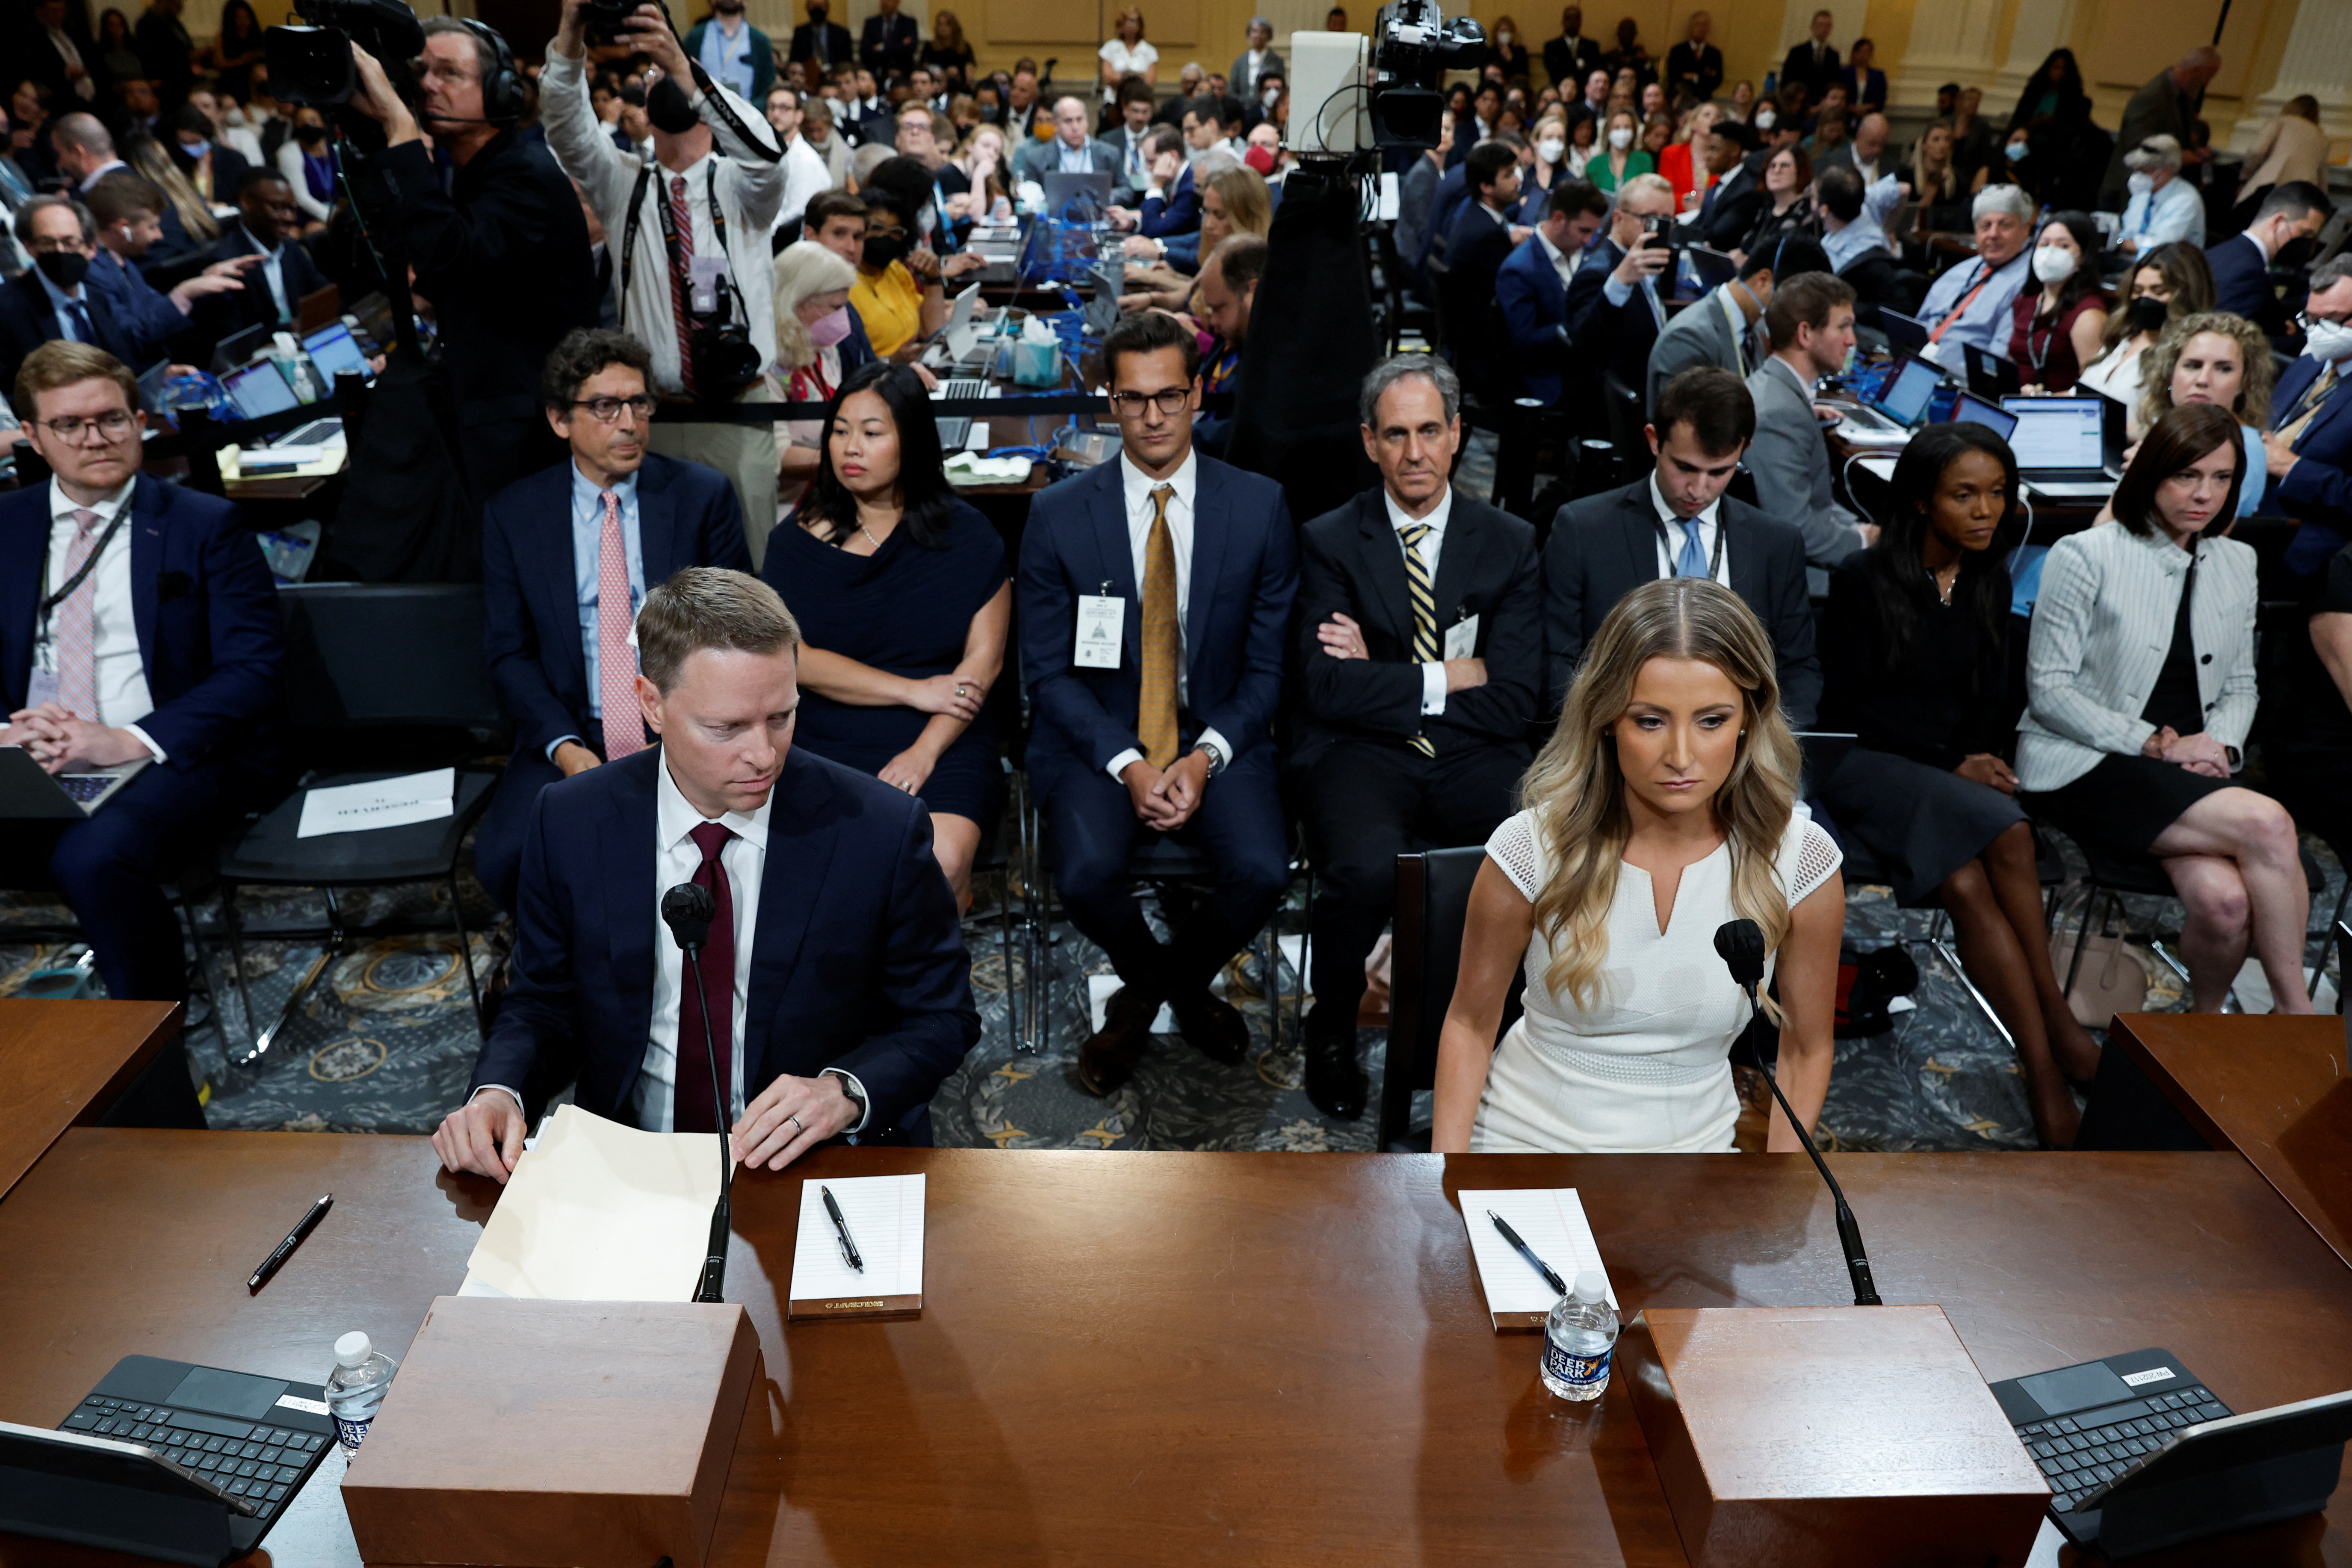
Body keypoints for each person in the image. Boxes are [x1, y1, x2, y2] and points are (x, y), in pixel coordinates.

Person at [436, 566, 979, 1178]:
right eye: (727, 727)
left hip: (812, 1157)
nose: (764, 754)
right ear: (652, 704)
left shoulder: (879, 828)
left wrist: (844, 1091)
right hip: (635, 1155)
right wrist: (499, 1091)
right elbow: (541, 1001)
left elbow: (943, 1016)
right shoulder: (570, 819)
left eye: (781, 716)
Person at [1433, 575, 1842, 1154]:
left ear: (1750, 716)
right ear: (1606, 719)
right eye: (1650, 720)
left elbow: (1806, 1049)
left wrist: (1776, 1190)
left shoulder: (1801, 859)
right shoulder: (1530, 848)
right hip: (1523, 1149)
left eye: (1712, 720)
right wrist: (1448, 1180)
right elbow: (1469, 1026)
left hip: (1695, 1163)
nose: (1681, 756)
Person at [1016, 310, 1296, 1096]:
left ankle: (1145, 996)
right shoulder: (1058, 516)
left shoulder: (1261, 507)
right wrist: (1131, 763)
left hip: (1221, 733)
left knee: (1262, 867)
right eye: (1134, 398)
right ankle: (1170, 991)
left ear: (1198, 393)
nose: (1153, 416)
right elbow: (1048, 673)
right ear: (1110, 400)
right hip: (1097, 737)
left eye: (1170, 396)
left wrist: (1205, 757)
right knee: (1085, 872)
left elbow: (1269, 671)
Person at [0, 342, 284, 1098]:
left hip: (173, 754)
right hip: (30, 754)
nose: (95, 439)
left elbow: (254, 670)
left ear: (140, 420)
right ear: (32, 435)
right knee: (73, 841)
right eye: (70, 425)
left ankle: (150, 1055)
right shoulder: (8, 526)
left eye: (110, 419)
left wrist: (126, 738)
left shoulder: (203, 524)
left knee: (93, 858)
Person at [1814, 424, 2101, 1146]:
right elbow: (1850, 716)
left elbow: (1988, 705)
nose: (1987, 511)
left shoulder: (1990, 578)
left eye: (1999, 494)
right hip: (1866, 767)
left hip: (1948, 775)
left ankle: (2043, 1054)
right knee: (2007, 829)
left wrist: (1972, 758)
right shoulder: (1862, 579)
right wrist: (1953, 767)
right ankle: (2053, 1049)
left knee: (1970, 884)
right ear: (1921, 500)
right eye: (1965, 495)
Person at [1290, 355, 1541, 1121]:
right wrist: (1450, 675)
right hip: (1360, 756)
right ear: (1370, 442)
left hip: (1475, 755)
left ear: (1458, 434)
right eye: (1396, 435)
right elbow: (1328, 690)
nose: (1414, 453)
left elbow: (1517, 699)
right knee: (1363, 871)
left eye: (1430, 431)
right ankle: (1329, 1031)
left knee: (1521, 859)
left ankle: (1502, 1034)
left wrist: (1390, 675)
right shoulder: (1330, 539)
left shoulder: (1511, 542)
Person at [2019, 403, 2311, 1017]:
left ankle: (2204, 1023)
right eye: (2187, 475)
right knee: (2269, 825)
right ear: (2151, 474)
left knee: (2226, 900)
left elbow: (2242, 685)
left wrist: (2221, 751)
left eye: (2222, 477)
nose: (2205, 493)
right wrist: (2160, 743)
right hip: (2088, 761)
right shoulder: (2086, 553)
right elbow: (2050, 692)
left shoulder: (2239, 562)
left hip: (2193, 774)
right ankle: (2298, 1015)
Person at [474, 329, 752, 913]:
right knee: (505, 856)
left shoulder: (702, 496)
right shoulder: (515, 515)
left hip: (682, 718)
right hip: (570, 724)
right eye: (605, 406)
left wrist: (685, 724)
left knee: (721, 854)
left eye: (639, 403)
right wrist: (568, 748)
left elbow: (733, 631)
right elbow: (509, 652)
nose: (629, 422)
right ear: (560, 420)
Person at [759, 362, 1008, 909]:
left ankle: (926, 991)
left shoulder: (967, 537)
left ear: (911, 441)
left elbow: (981, 668)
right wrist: (910, 689)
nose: (851, 447)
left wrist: (923, 751)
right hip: (824, 731)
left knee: (938, 860)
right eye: (841, 431)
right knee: (811, 864)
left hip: (946, 734)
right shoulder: (793, 543)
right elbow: (791, 659)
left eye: (872, 433)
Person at [543, 0, 782, 564]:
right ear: (642, 113)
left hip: (738, 411)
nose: (661, 79)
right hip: (651, 417)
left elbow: (768, 157)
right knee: (663, 572)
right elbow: (565, 127)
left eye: (673, 76)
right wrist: (572, 30)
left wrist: (683, 66)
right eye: (651, 78)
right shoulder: (622, 183)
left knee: (749, 574)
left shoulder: (742, 188)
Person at [344, 16, 599, 506]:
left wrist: (400, 129)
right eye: (421, 73)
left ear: (502, 92)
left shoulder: (523, 176)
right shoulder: (479, 173)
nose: (426, 86)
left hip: (528, 435)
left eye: (448, 73)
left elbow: (447, 256)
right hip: (501, 421)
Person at [1543, 367, 1821, 723]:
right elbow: (1556, 665)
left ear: (1745, 450)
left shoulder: (1777, 545)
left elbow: (1798, 669)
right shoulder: (1583, 531)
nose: (1698, 489)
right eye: (1685, 467)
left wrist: (1770, 748)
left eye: (1719, 471)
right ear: (1654, 440)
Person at [1746, 271, 1873, 596]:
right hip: (1806, 589)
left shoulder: (1776, 391)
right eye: (1842, 326)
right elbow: (1796, 528)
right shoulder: (1779, 413)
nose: (1852, 340)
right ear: (1805, 334)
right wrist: (1865, 539)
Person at [1646, 236, 1822, 410]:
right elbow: (1682, 430)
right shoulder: (1689, 339)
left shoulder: (1753, 329)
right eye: (1795, 304)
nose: (1796, 316)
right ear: (1763, 281)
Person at [2128, 313, 2273, 520]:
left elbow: (2196, 532)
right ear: (2170, 373)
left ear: (2244, 383)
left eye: (2224, 369)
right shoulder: (2184, 431)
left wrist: (2144, 473)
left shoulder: (2243, 447)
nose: (2203, 380)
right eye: (2193, 366)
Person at [0, 196, 155, 387]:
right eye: (47, 243)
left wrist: (158, 379)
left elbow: (124, 367)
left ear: (91, 248)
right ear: (29, 247)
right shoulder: (7, 307)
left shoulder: (99, 299)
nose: (60, 251)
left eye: (70, 242)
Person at [85, 171, 257, 332]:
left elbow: (155, 308)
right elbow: (134, 334)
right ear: (124, 229)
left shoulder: (121, 262)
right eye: (151, 227)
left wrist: (205, 280)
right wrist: (184, 292)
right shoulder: (94, 274)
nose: (159, 236)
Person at [2265, 257, 2352, 577]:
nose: (2317, 332)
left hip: (2313, 543)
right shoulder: (2310, 362)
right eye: (2311, 319)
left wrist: (2291, 468)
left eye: (2332, 320)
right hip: (2253, 511)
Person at [1496, 178, 1607, 405]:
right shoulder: (1519, 270)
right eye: (1584, 231)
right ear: (1559, 219)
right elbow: (1525, 342)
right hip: (1549, 378)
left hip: (1580, 364)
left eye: (1594, 233)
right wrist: (1578, 327)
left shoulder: (1583, 255)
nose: (1588, 241)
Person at [1562, 171, 1674, 394]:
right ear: (1618, 219)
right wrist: (1619, 283)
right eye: (1650, 220)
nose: (1658, 231)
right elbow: (1582, 346)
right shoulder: (1598, 271)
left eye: (1667, 221)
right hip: (1620, 400)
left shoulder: (1651, 260)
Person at [768, 238, 857, 513]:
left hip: (832, 494)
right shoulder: (769, 365)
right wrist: (849, 463)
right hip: (790, 508)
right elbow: (777, 457)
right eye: (835, 307)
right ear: (798, 302)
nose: (843, 318)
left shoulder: (825, 350)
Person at [2075, 242, 2214, 410]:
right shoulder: (2121, 338)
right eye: (2138, 291)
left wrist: (2113, 424)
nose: (2145, 299)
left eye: (2158, 291)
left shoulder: (2190, 355)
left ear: (2186, 296)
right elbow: (2079, 396)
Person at [195, 169, 327, 342]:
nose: (289, 218)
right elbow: (233, 336)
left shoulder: (290, 247)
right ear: (247, 203)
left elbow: (324, 294)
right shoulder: (226, 260)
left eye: (293, 208)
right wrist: (289, 329)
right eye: (278, 208)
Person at [1916, 183, 2033, 370]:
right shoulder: (1961, 271)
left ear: (2026, 229)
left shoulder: (2030, 284)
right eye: (1985, 226)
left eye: (2005, 226)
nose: (1993, 234)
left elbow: (1997, 360)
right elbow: (1919, 323)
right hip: (1920, 365)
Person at [1437, 140, 1525, 390]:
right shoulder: (1487, 235)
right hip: (1486, 351)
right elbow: (1510, 290)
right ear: (1486, 186)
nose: (1518, 181)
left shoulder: (1475, 216)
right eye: (1508, 175)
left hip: (1470, 341)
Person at [2206, 181, 2330, 339]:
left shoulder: (2222, 251)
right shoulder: (2249, 273)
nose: (2308, 243)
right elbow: (2250, 340)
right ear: (2278, 222)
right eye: (2305, 233)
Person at [2100, 47, 2219, 208]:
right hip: (2128, 192)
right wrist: (2179, 157)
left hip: (2155, 190)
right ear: (2194, 71)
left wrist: (2195, 150)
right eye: (2208, 76)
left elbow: (2181, 136)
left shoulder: (2185, 98)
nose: (2207, 84)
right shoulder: (2151, 97)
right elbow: (2136, 145)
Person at [2008, 212, 2109, 395]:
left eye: (2064, 246)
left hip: (2056, 411)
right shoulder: (2027, 300)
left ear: (2084, 256)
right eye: (2044, 244)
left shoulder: (2088, 314)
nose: (2050, 253)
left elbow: (2094, 388)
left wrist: (2046, 398)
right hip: (2014, 400)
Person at [759, 85, 831, 232]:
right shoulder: (770, 152)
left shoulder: (806, 162)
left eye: (784, 108)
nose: (776, 114)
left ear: (799, 116)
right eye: (772, 108)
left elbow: (796, 218)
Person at [2237, 95, 2327, 210]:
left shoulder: (2281, 122)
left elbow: (2256, 152)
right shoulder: (2321, 137)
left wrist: (2245, 177)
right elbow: (2322, 176)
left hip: (2271, 184)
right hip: (2302, 195)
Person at [2117, 135, 2203, 255]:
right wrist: (2122, 242)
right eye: (2135, 170)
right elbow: (2126, 234)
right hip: (2130, 261)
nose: (2137, 177)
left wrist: (2125, 243)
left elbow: (2160, 246)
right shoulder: (2143, 193)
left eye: (2144, 171)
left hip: (2168, 267)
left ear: (2167, 170)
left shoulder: (2186, 200)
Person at [1013, 93, 1120, 186]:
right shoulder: (1036, 158)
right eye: (1068, 121)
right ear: (1057, 125)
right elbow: (1029, 193)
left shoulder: (1109, 154)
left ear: (1087, 122)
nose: (1075, 127)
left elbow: (1125, 189)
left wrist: (1108, 197)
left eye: (1080, 120)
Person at [684, 0, 774, 106]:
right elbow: (684, 78)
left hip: (747, 116)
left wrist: (753, 109)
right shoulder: (695, 37)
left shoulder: (760, 41)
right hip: (705, 115)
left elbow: (769, 88)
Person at [1734, 143, 1814, 261]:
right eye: (1772, 166)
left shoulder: (1807, 212)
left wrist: (1747, 263)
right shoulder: (1765, 210)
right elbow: (1747, 246)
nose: (1776, 171)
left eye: (1785, 166)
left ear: (1800, 171)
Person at [1901, 119, 1967, 233]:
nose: (1942, 145)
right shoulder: (1907, 175)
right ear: (1924, 146)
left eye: (1947, 140)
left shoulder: (1956, 178)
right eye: (1936, 140)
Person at [276, 106, 336, 227]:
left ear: (323, 124)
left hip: (338, 211)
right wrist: (334, 219)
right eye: (302, 122)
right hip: (306, 216)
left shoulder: (336, 150)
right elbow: (301, 199)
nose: (309, 125)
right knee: (316, 230)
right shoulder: (289, 152)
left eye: (313, 121)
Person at [132, 0, 193, 111]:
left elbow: (186, 46)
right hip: (166, 83)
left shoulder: (174, 22)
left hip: (182, 80)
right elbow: (151, 56)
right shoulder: (147, 23)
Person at [207, 0, 266, 101]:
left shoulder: (258, 37)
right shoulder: (222, 38)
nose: (243, 22)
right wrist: (244, 59)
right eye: (239, 18)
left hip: (257, 83)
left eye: (246, 18)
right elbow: (220, 64)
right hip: (232, 82)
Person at [1780, 9, 1840, 106]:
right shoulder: (1797, 52)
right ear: (1812, 26)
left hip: (1822, 105)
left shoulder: (1834, 56)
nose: (1824, 29)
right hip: (1799, 104)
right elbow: (1787, 80)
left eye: (1827, 26)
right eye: (1820, 25)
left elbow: (1834, 83)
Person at [1661, 12, 1720, 104]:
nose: (1701, 29)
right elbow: (1673, 75)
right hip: (1679, 100)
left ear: (1708, 29)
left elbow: (1717, 80)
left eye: (1704, 25)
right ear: (1691, 27)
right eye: (1697, 24)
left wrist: (1695, 77)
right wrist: (1702, 77)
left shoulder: (1715, 54)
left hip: (1703, 100)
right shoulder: (1678, 51)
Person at [1588, 107, 1647, 195]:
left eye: (1627, 127)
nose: (1622, 132)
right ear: (1608, 131)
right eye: (1617, 127)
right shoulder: (1595, 164)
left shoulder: (1644, 160)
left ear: (1634, 132)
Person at [1544, 6, 1601, 94]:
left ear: (1580, 21)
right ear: (1563, 21)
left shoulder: (1592, 46)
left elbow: (1592, 70)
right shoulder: (1551, 46)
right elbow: (1554, 71)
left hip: (1584, 92)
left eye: (1576, 18)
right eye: (1569, 18)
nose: (1572, 21)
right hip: (1559, 90)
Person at [788, 0, 853, 74]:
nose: (817, 10)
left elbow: (847, 62)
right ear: (807, 8)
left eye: (821, 7)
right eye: (814, 7)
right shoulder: (800, 33)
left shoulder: (842, 34)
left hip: (835, 77)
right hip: (808, 77)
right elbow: (794, 60)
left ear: (827, 8)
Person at [858, 0, 916, 76]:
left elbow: (909, 50)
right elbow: (865, 52)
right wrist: (899, 45)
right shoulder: (871, 23)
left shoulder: (908, 23)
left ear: (897, 2)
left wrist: (881, 48)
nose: (885, 3)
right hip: (876, 74)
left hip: (902, 74)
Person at [921, 9, 975, 91]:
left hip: (961, 87)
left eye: (947, 25)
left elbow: (970, 71)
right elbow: (924, 69)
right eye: (940, 24)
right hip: (937, 87)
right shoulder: (930, 47)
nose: (943, 28)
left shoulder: (964, 47)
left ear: (954, 27)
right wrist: (945, 74)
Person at [1228, 15, 1278, 98]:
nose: (1258, 36)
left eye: (1262, 32)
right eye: (1255, 32)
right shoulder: (1240, 61)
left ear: (1268, 35)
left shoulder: (1276, 61)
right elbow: (1233, 88)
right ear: (1249, 34)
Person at [1839, 36, 1885, 115]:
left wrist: (1868, 107)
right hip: (1846, 114)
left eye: (1866, 52)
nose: (1863, 55)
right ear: (1854, 53)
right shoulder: (1845, 73)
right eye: (1860, 52)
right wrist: (1852, 108)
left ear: (1871, 54)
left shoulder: (1878, 76)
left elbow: (1881, 98)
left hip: (1869, 115)